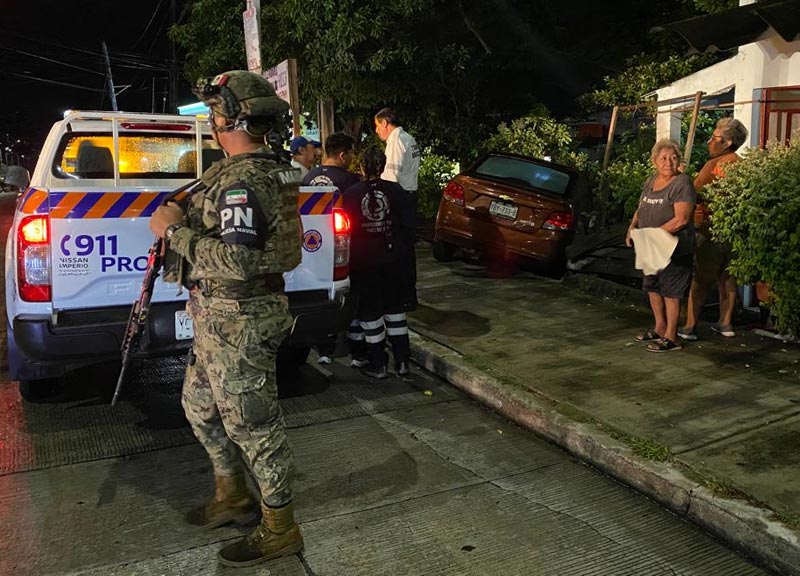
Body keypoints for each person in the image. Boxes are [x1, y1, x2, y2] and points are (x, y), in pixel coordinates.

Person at [149, 70, 304, 567]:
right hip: (218, 316)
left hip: (240, 316)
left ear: (229, 119)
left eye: (215, 111)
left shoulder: (244, 180)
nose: (211, 119)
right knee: (200, 406)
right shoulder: (241, 170)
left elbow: (240, 261)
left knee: (253, 425)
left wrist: (175, 235)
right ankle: (232, 494)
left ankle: (280, 526)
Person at [343, 149, 414, 378]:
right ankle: (403, 361)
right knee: (395, 312)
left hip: (364, 262)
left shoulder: (351, 194)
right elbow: (408, 226)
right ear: (383, 166)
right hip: (393, 260)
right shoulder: (396, 191)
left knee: (370, 314)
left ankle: (378, 364)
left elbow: (344, 230)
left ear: (361, 167)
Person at [678, 118, 749, 341]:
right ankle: (725, 323)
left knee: (700, 279)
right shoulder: (741, 165)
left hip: (709, 230)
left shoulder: (715, 166)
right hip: (733, 231)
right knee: (728, 277)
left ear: (727, 142)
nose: (709, 142)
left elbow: (692, 192)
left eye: (714, 137)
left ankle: (690, 326)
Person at [626, 139, 696, 353]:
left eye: (673, 158)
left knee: (671, 291)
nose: (668, 162)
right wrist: (632, 226)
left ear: (679, 161)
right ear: (654, 161)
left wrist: (654, 235)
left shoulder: (682, 183)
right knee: (653, 287)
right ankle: (659, 328)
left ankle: (672, 337)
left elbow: (682, 219)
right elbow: (642, 207)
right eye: (663, 158)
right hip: (650, 244)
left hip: (672, 247)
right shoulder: (651, 181)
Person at [302, 132, 360, 364]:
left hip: (312, 249)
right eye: (352, 154)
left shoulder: (308, 178)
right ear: (343, 154)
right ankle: (351, 346)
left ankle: (323, 349)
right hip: (343, 250)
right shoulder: (351, 182)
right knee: (349, 296)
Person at [374, 107, 420, 311]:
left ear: (385, 123)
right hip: (409, 197)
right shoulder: (408, 138)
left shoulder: (395, 142)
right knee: (407, 250)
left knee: (400, 249)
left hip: (400, 198)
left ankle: (404, 297)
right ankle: (409, 295)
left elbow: (390, 177)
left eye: (377, 126)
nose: (376, 131)